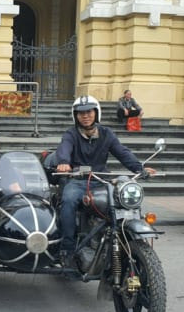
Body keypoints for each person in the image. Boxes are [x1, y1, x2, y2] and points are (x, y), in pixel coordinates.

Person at [56, 95, 154, 267]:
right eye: (81, 113)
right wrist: (64, 162)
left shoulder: (106, 133)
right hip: (78, 180)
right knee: (68, 200)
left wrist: (140, 169)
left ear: (96, 113)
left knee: (122, 202)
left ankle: (123, 239)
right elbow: (64, 148)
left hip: (102, 180)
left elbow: (122, 152)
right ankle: (68, 248)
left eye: (89, 112)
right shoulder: (71, 134)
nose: (85, 116)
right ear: (75, 115)